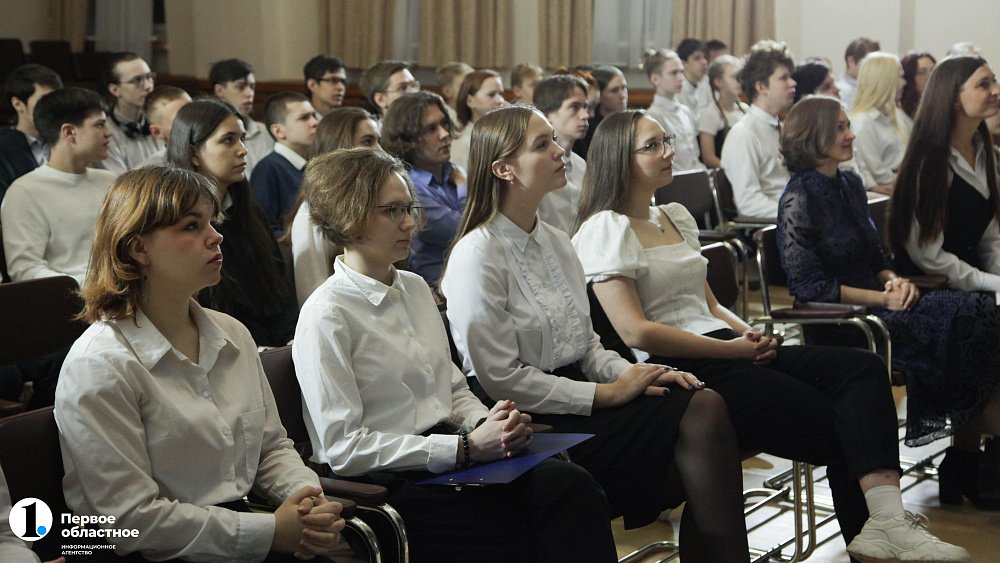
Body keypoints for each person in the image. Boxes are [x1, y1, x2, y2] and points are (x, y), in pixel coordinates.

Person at [575, 107, 972, 562]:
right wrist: (732, 351)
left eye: (667, 140)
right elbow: (637, 331)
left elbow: (708, 305)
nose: (669, 151)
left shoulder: (673, 216)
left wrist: (752, 335)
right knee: (847, 422)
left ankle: (886, 526)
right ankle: (880, 536)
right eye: (653, 146)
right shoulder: (606, 227)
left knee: (860, 370)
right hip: (684, 370)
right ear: (618, 160)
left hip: (727, 347)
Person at [441, 105, 749, 562]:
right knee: (697, 425)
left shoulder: (556, 240)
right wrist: (608, 395)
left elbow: (587, 346)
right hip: (523, 414)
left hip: (583, 391)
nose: (561, 151)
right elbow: (499, 378)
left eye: (554, 140)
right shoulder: (477, 253)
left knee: (701, 405)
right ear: (504, 169)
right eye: (542, 145)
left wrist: (638, 375)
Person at [293, 147, 618, 563]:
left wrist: (488, 423)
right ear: (348, 217)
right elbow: (344, 448)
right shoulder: (327, 314)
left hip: (447, 452)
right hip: (390, 482)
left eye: (408, 207)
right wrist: (463, 448)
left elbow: (451, 385)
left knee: (572, 485)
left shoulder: (412, 287)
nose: (410, 222)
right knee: (532, 518)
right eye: (391, 211)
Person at [55, 165, 347, 561]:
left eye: (212, 222)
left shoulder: (232, 333)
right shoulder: (101, 365)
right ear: (138, 249)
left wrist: (306, 499)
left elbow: (270, 447)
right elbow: (127, 520)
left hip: (241, 529)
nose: (216, 237)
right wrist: (270, 531)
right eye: (192, 227)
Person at [778, 94, 1000, 512]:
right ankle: (971, 457)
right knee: (971, 319)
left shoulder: (848, 183)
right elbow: (810, 287)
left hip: (882, 303)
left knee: (981, 313)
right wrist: (882, 297)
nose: (851, 134)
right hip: (848, 321)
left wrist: (895, 281)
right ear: (814, 137)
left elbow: (876, 259)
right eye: (841, 128)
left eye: (848, 125)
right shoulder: (798, 198)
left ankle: (969, 456)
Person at [168, 99, 298, 346]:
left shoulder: (248, 211)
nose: (242, 150)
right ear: (194, 152)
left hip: (274, 347)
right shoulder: (177, 222)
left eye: (242, 139)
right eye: (228, 140)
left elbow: (279, 287)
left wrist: (291, 338)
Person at [1, 87, 113, 284]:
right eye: (100, 125)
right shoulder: (25, 192)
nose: (108, 133)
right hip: (69, 302)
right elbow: (25, 271)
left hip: (124, 292)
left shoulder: (111, 181)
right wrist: (92, 286)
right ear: (69, 132)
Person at [286, 106, 381, 306]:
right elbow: (312, 296)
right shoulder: (310, 215)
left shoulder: (373, 202)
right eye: (367, 142)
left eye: (378, 141)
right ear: (341, 148)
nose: (380, 151)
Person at [382, 92, 464, 291]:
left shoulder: (453, 171)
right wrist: (464, 186)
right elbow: (468, 229)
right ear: (408, 139)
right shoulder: (408, 187)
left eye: (444, 123)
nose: (444, 134)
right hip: (439, 293)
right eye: (430, 129)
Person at [720, 40, 796, 219]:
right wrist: (798, 213)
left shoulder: (783, 128)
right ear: (761, 87)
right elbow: (748, 202)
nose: (792, 83)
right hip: (769, 228)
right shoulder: (744, 134)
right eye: (783, 78)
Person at [251, 92, 320, 235]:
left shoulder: (313, 164)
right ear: (278, 131)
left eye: (314, 115)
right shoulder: (268, 169)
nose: (314, 122)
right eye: (304, 117)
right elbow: (264, 229)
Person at [533, 74, 591, 232]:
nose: (585, 115)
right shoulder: (536, 166)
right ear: (547, 116)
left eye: (586, 107)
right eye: (574, 107)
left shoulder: (581, 164)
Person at [851, 52, 912, 193]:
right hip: (891, 193)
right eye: (901, 77)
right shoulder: (863, 122)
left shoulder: (898, 115)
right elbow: (877, 172)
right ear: (885, 81)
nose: (904, 83)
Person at [0, 64, 62, 201]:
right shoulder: (4, 150)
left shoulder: (66, 141)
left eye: (56, 99)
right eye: (43, 100)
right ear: (18, 104)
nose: (53, 107)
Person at [210, 58, 273, 175]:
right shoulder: (210, 134)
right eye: (241, 86)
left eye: (252, 87)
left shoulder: (265, 131)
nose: (250, 93)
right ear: (219, 90)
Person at [642, 49, 703, 172]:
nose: (681, 78)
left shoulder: (685, 111)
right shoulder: (652, 117)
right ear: (655, 79)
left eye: (681, 71)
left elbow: (693, 155)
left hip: (694, 176)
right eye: (674, 73)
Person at [100, 52, 160, 174]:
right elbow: (120, 185)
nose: (148, 86)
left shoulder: (160, 121)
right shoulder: (105, 132)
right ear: (115, 90)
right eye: (138, 80)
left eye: (149, 77)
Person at [698, 54, 747, 168]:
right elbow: (709, 158)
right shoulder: (710, 114)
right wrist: (734, 170)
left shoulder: (745, 110)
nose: (739, 81)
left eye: (740, 76)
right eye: (734, 77)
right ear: (719, 82)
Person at [451, 70, 507, 170]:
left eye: (501, 94)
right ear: (470, 101)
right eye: (491, 95)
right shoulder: (464, 143)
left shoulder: (504, 134)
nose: (500, 100)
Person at [574, 65, 628, 159]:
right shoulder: (586, 129)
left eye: (624, 88)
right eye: (614, 90)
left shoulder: (630, 121)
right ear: (600, 96)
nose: (623, 95)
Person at [137, 85, 192, 167]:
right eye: (181, 120)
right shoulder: (150, 173)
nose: (194, 122)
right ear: (157, 132)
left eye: (194, 113)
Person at [836, 37, 881, 110]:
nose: (875, 68)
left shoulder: (872, 88)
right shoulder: (843, 92)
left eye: (877, 63)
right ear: (851, 61)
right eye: (870, 62)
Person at [676, 38, 712, 119]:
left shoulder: (707, 83)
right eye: (697, 58)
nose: (704, 62)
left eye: (705, 57)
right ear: (683, 63)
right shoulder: (676, 89)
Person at [900, 51, 937, 119]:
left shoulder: (939, 105)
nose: (929, 76)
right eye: (921, 72)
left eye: (933, 71)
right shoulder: (901, 113)